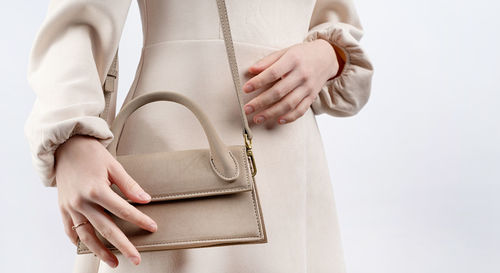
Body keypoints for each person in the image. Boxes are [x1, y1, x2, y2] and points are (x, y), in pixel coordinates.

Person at [24, 0, 374, 272]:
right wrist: (71, 137)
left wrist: (329, 56)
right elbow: (77, 21)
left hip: (292, 151)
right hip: (177, 137)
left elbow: (336, 30)